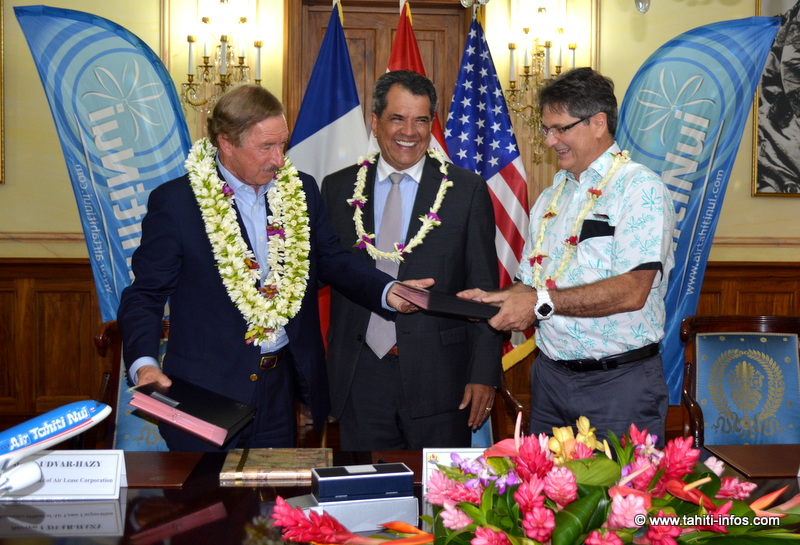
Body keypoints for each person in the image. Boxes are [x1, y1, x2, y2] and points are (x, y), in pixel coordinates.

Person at [117, 84, 429, 451]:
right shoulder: (177, 204)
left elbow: (332, 258)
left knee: (270, 503)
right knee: (204, 506)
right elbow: (145, 295)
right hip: (206, 394)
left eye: (282, 144)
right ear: (226, 143)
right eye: (266, 147)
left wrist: (388, 291)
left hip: (280, 391)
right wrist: (144, 364)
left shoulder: (302, 190)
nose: (279, 159)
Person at [460, 68, 675, 445]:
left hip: (618, 386)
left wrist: (539, 304)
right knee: (547, 499)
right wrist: (495, 300)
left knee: (620, 501)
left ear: (598, 123)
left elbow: (632, 291)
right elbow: (531, 283)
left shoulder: (640, 189)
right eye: (546, 130)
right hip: (550, 382)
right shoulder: (551, 196)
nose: (550, 141)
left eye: (560, 128)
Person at [321, 70, 502, 451]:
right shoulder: (337, 188)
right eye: (398, 118)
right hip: (359, 374)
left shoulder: (465, 190)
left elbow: (485, 290)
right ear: (375, 122)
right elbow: (326, 270)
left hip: (441, 378)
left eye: (421, 120)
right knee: (366, 499)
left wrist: (484, 374)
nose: (410, 131)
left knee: (439, 504)